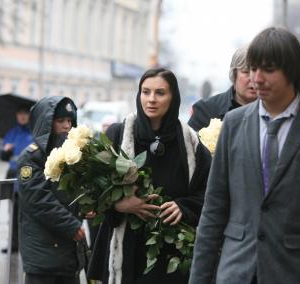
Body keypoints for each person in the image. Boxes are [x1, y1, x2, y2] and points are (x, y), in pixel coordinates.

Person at [189, 27, 300, 284]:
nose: (257, 78)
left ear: (292, 71)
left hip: (294, 273)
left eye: (268, 69)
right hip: (236, 272)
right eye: (253, 69)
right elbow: (213, 209)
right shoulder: (233, 123)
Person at [87, 67, 212, 283]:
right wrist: (119, 205)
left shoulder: (190, 142)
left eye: (160, 93)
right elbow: (91, 189)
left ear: (173, 97)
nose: (151, 99)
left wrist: (184, 207)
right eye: (146, 92)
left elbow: (211, 191)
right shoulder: (117, 135)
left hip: (171, 255)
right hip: (126, 252)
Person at [17, 96, 87, 284]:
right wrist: (71, 225)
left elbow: (72, 193)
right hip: (43, 255)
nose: (66, 126)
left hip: (67, 251)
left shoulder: (70, 155)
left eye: (70, 121)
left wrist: (85, 207)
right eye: (60, 121)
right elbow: (38, 200)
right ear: (46, 123)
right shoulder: (31, 158)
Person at [187, 45, 257, 131]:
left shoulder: (275, 112)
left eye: (260, 72)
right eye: (246, 72)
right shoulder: (206, 110)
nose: (254, 78)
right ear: (234, 74)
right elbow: (188, 142)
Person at [0, 105, 33, 253]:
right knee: (13, 210)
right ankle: (14, 243)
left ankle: (27, 244)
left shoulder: (34, 132)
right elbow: (2, 156)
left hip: (28, 173)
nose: (22, 116)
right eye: (20, 113)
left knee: (27, 211)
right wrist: (6, 151)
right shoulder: (11, 132)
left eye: (25, 113)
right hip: (12, 173)